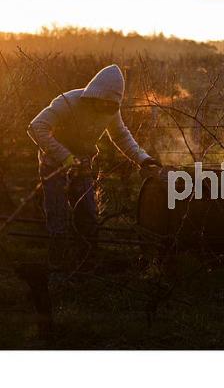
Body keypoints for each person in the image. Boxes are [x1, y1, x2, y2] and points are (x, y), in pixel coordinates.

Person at [27, 64, 160, 263]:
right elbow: (35, 127)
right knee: (58, 215)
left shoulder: (110, 110)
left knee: (88, 214)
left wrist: (143, 159)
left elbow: (121, 136)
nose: (107, 110)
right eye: (105, 104)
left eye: (112, 106)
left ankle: (87, 262)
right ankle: (57, 265)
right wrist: (66, 157)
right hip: (53, 165)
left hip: (83, 165)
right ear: (95, 96)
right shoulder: (67, 102)